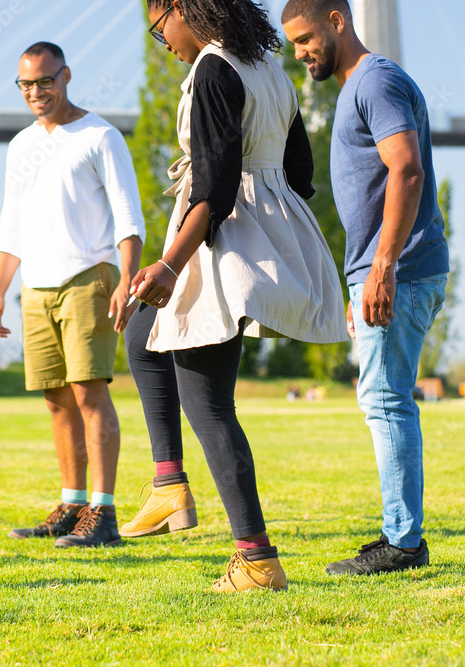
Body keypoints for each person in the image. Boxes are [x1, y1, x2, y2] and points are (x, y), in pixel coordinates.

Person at [120, 0, 348, 592]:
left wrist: (172, 262)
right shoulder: (270, 66)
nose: (160, 39)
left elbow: (215, 186)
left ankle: (255, 558)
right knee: (142, 336)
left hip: (220, 239)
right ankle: (169, 484)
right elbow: (300, 169)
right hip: (268, 225)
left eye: (158, 23)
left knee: (211, 405)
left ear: (186, 9)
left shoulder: (213, 70)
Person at [282, 0, 450, 575]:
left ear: (337, 20)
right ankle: (400, 536)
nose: (302, 53)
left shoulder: (373, 81)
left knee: (385, 401)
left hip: (398, 270)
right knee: (385, 398)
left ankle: (402, 543)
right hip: (386, 272)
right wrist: (364, 277)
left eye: (306, 38)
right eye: (293, 45)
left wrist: (382, 268)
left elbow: (406, 170)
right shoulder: (361, 86)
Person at [0, 42, 145, 548]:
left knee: (89, 393)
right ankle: (72, 503)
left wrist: (126, 279)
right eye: (26, 85)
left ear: (66, 75)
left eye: (45, 81)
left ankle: (104, 513)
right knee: (57, 399)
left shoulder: (100, 135)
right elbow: (12, 223)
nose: (37, 92)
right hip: (36, 286)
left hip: (87, 278)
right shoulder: (20, 146)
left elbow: (128, 215)